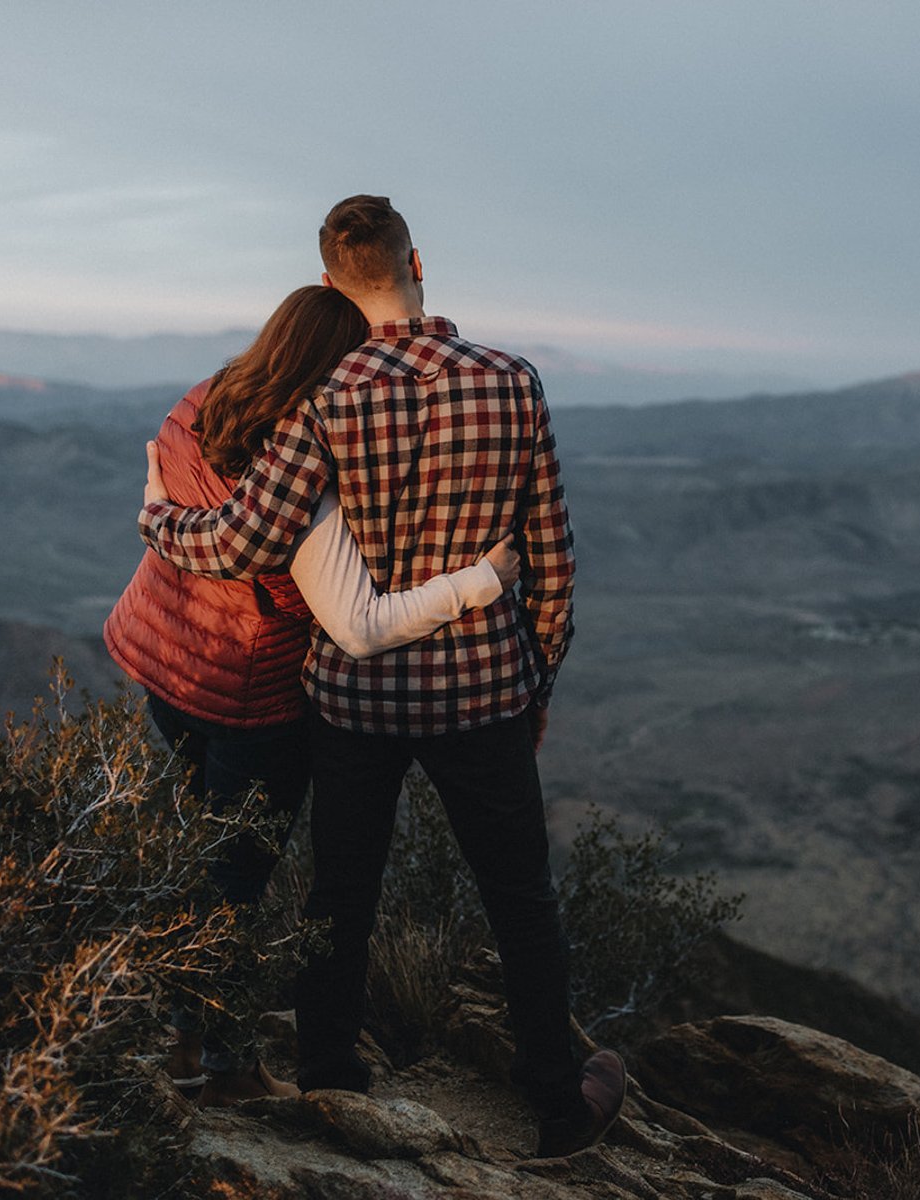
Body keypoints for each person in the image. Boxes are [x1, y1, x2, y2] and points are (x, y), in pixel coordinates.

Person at [138, 195, 622, 1158]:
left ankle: (327, 1073)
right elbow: (553, 562)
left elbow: (247, 540)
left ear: (329, 281)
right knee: (519, 896)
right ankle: (559, 1107)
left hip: (352, 706)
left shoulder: (324, 393)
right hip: (483, 694)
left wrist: (158, 521)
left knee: (340, 892)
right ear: (418, 260)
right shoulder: (512, 382)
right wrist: (538, 684)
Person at [104, 284, 519, 1106]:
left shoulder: (206, 398)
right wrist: (479, 581)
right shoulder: (303, 477)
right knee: (234, 885)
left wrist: (153, 515)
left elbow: (172, 506)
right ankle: (218, 1068)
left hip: (163, 669)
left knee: (198, 864)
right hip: (248, 702)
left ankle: (178, 1041)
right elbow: (359, 624)